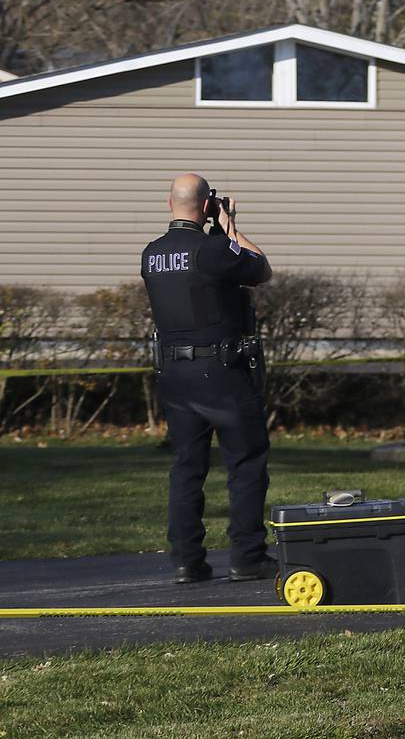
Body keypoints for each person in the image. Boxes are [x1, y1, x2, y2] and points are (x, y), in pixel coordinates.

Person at [140, 173, 276, 584]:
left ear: (169, 205)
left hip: (175, 374)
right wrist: (229, 224)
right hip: (222, 372)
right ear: (205, 207)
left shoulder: (152, 254)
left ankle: (186, 560)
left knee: (187, 468)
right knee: (247, 463)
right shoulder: (213, 249)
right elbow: (261, 269)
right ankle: (247, 556)